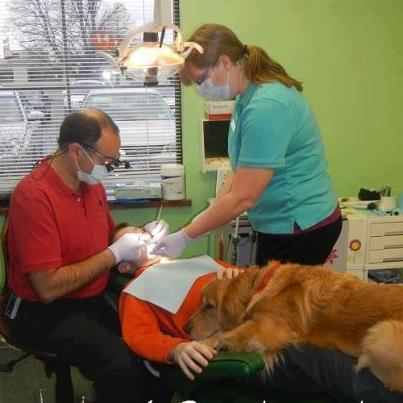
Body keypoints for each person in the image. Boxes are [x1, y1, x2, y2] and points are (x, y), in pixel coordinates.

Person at [5, 108, 166, 403]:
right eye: (107, 161)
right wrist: (114, 253)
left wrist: (133, 235)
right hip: (42, 310)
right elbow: (48, 288)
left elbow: (106, 234)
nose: (110, 168)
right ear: (76, 151)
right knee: (119, 363)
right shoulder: (33, 197)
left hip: (90, 295)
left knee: (155, 339)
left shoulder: (91, 185)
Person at [153, 23, 342, 266]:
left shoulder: (267, 106)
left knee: (276, 302)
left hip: (301, 225)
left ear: (224, 62)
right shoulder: (245, 98)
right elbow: (240, 169)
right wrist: (209, 218)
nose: (200, 90)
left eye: (201, 80)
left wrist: (186, 236)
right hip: (278, 222)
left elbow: (243, 198)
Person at [117, 246, 403, 403]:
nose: (143, 236)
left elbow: (260, 287)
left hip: (264, 322)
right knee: (324, 363)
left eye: (145, 234)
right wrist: (176, 349)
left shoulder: (199, 261)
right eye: (132, 238)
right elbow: (139, 337)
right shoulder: (136, 291)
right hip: (241, 342)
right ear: (124, 266)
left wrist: (238, 279)